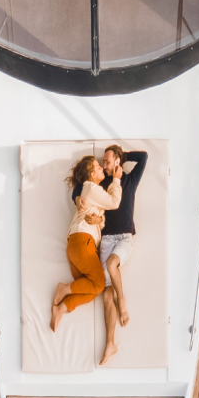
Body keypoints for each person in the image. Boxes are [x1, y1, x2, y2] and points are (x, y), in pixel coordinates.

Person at [72, 145, 148, 364]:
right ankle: (110, 344)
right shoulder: (102, 183)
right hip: (105, 239)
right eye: (102, 163)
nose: (103, 165)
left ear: (117, 161)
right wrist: (77, 199)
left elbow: (143, 156)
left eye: (106, 161)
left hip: (124, 238)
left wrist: (121, 160)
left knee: (113, 265)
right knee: (106, 294)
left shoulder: (130, 180)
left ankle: (122, 301)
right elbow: (79, 189)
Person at [52, 155, 122, 332]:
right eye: (98, 167)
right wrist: (116, 179)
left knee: (89, 290)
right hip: (83, 242)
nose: (101, 169)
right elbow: (114, 203)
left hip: (77, 245)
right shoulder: (91, 188)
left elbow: (97, 216)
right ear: (91, 174)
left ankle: (60, 308)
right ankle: (64, 288)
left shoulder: (90, 191)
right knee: (98, 285)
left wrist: (100, 220)